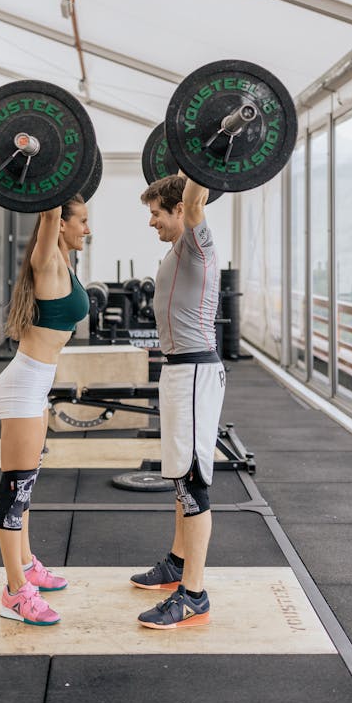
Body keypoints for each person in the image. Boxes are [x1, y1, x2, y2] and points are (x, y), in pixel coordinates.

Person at [132, 173, 224, 629]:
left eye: (155, 213)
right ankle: (175, 562)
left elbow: (193, 197)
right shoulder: (175, 250)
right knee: (178, 474)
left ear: (180, 211)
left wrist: (196, 160)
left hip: (194, 373)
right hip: (178, 370)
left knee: (192, 481)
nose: (151, 222)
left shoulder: (196, 241)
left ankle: (193, 593)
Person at [0, 195, 90, 626]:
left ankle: (28, 563)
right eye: (82, 221)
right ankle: (15, 591)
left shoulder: (65, 265)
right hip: (23, 388)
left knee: (27, 486)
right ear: (61, 223)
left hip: (36, 385)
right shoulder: (47, 260)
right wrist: (55, 188)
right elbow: (50, 208)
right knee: (16, 490)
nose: (87, 228)